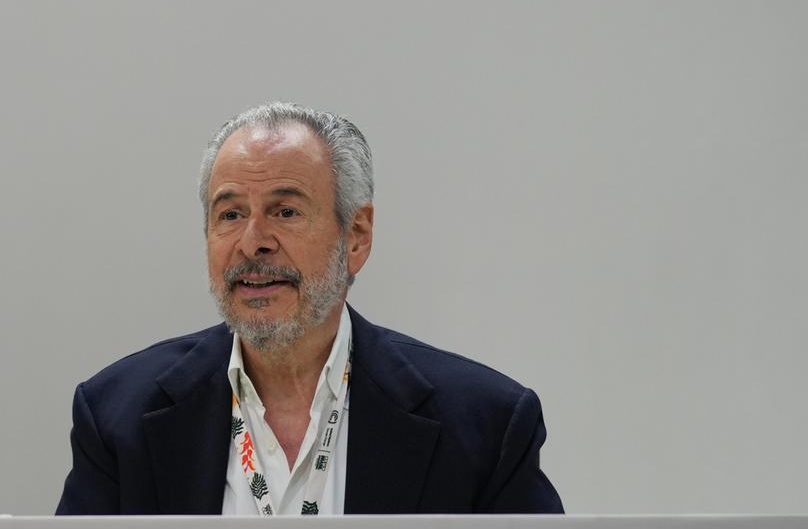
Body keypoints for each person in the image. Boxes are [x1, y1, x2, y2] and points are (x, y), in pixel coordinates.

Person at [55, 102, 562, 515]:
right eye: (230, 214)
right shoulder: (117, 417)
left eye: (286, 211)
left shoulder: (484, 425)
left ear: (356, 237)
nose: (253, 242)